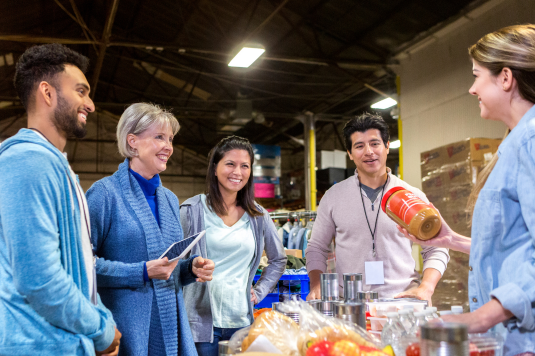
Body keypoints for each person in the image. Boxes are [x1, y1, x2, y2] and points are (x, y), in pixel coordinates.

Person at [398, 24, 535, 355]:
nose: (472, 89)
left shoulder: (530, 141)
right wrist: (452, 240)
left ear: (505, 78)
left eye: (476, 76)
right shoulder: (516, 142)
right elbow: (516, 248)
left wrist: (479, 318)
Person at [0, 43, 121, 355]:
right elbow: (39, 280)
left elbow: (79, 268)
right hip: (38, 344)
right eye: (81, 91)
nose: (91, 104)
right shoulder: (27, 161)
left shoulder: (57, 167)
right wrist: (101, 329)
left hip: (63, 341)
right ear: (47, 92)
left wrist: (102, 317)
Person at [86, 103, 215, 356]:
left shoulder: (168, 198)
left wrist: (189, 268)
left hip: (170, 327)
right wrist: (142, 272)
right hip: (126, 330)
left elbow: (166, 265)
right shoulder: (104, 194)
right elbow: (83, 267)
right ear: (132, 141)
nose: (168, 146)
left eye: (170, 139)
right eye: (159, 137)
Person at [305, 113, 450, 305]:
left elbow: (435, 247)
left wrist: (426, 287)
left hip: (402, 302)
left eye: (375, 143)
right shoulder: (333, 197)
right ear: (349, 153)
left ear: (387, 146)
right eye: (359, 146)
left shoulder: (411, 196)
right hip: (350, 304)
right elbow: (316, 248)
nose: (368, 152)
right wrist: (316, 285)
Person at [180, 136, 287, 356]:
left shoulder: (258, 216)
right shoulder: (191, 210)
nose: (237, 172)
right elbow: (172, 263)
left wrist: (259, 292)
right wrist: (190, 267)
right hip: (200, 326)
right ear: (215, 168)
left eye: (244, 166)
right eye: (230, 164)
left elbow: (278, 260)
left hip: (242, 324)